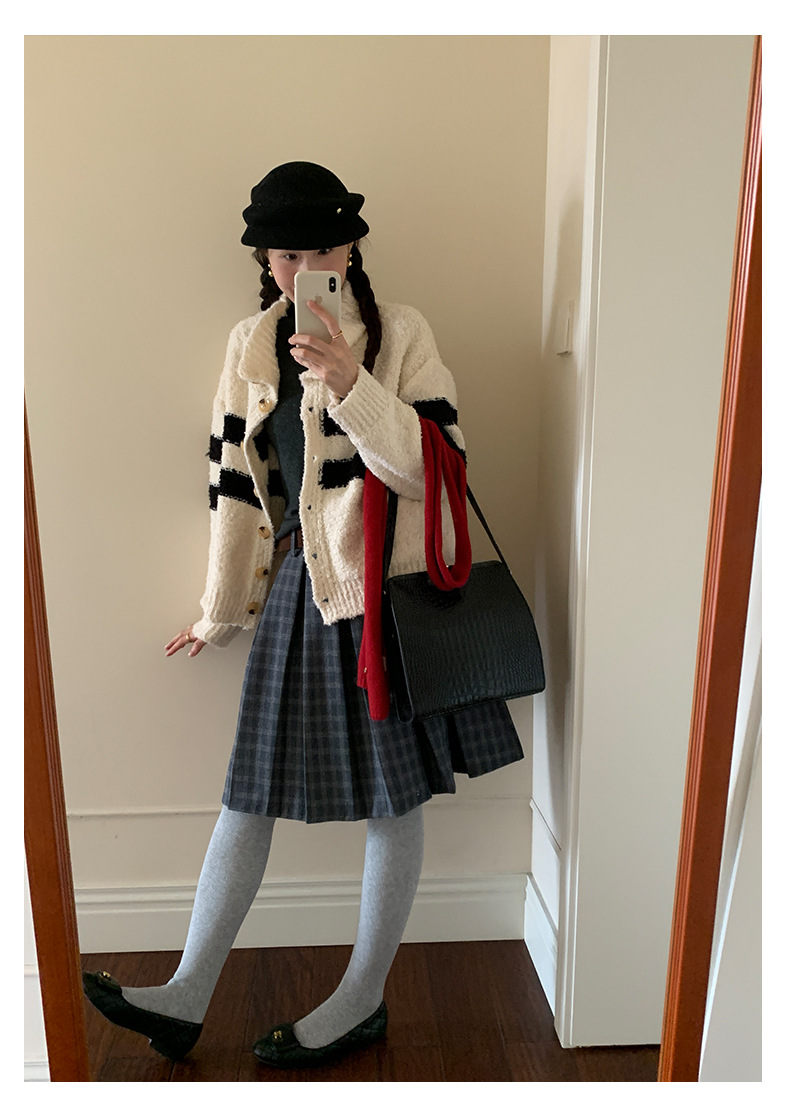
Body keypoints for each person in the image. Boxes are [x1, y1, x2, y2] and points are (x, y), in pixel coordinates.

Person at [82, 161, 524, 1070]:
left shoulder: (402, 333)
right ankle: (187, 992)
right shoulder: (250, 347)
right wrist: (218, 611)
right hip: (300, 590)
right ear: (265, 261)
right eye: (287, 254)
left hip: (390, 598)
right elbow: (233, 488)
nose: (304, 268)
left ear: (351, 248)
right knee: (247, 793)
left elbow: (434, 468)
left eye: (322, 248)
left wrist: (353, 383)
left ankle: (363, 998)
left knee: (395, 797)